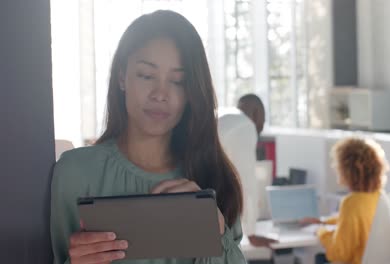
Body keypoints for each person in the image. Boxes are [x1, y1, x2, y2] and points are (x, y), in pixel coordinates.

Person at [51, 10, 246, 264]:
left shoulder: (215, 176)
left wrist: (215, 231)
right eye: (146, 75)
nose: (160, 94)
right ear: (122, 77)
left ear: (192, 91)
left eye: (178, 80)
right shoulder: (74, 173)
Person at [300, 137, 389, 264]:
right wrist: (322, 221)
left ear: (346, 171)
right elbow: (358, 219)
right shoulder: (381, 197)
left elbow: (339, 254)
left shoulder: (352, 203)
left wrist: (320, 231)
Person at [218, 106, 276, 248]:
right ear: (256, 114)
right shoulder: (245, 125)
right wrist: (252, 232)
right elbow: (246, 180)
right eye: (263, 121)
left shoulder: (221, 116)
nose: (261, 128)